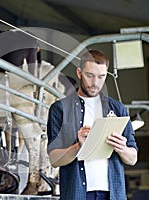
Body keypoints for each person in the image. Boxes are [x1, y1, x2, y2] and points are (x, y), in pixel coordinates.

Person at [47, 49, 138, 200]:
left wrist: (122, 148)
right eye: (89, 75)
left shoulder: (118, 108)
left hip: (112, 194)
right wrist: (78, 146)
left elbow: (133, 158)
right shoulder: (60, 109)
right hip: (77, 194)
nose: (95, 83)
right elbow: (54, 160)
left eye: (101, 77)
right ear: (79, 73)